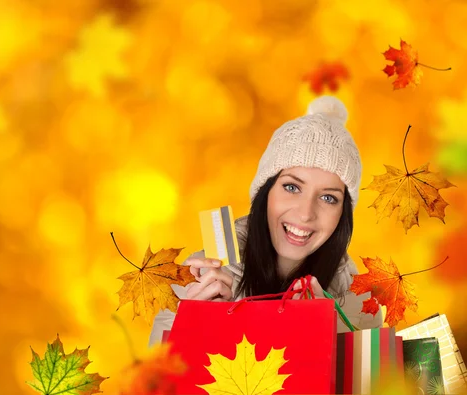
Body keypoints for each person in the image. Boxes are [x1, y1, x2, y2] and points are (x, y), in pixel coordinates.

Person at [148, 95, 383, 347]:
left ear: (343, 214)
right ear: (265, 192)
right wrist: (194, 328)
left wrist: (324, 331)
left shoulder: (360, 305)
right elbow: (155, 382)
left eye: (328, 197)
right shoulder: (199, 279)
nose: (305, 213)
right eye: (292, 187)